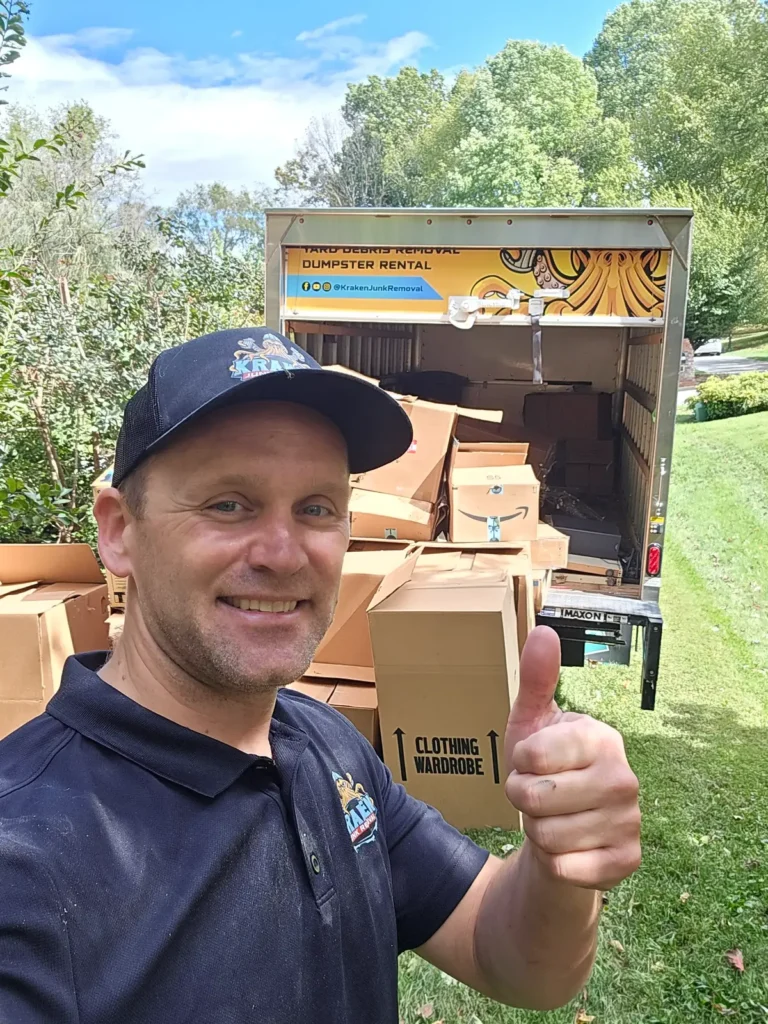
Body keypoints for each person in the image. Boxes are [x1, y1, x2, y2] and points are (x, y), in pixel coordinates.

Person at [0, 328, 641, 1023]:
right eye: (228, 504)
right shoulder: (26, 858)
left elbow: (511, 958)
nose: (283, 553)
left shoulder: (323, 746)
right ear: (120, 530)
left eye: (317, 508)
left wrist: (558, 867)